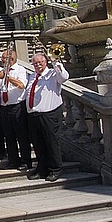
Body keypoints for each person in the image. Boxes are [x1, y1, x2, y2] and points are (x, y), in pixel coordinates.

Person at [25, 53, 69, 182]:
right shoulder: (32, 76)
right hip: (33, 114)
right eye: (35, 63)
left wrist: (56, 62)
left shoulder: (53, 74)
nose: (38, 65)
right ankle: (42, 169)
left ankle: (55, 169)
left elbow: (64, 77)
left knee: (51, 142)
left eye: (40, 62)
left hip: (49, 113)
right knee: (38, 144)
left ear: (45, 62)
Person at [0, 48, 31, 171]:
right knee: (9, 136)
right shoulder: (0, 71)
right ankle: (13, 160)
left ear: (11, 59)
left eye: (3, 58)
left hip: (17, 106)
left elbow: (21, 85)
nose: (1, 60)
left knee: (21, 135)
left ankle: (26, 161)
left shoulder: (20, 70)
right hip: (4, 107)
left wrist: (7, 77)